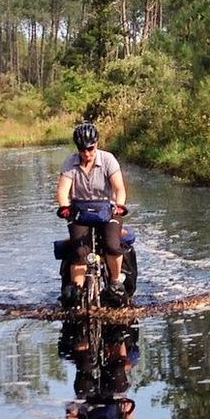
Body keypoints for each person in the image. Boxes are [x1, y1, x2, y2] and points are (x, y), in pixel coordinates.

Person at [56, 122, 128, 304]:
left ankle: (115, 282)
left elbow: (119, 188)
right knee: (79, 251)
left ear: (96, 144)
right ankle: (77, 291)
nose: (87, 154)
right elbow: (63, 190)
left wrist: (119, 205)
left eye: (90, 149)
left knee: (112, 245)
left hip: (109, 211)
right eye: (82, 150)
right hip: (80, 213)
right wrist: (65, 207)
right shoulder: (70, 163)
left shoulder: (108, 160)